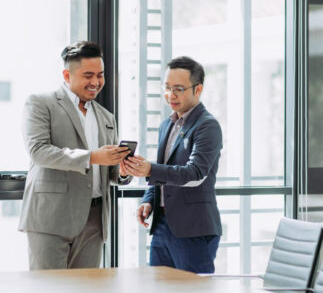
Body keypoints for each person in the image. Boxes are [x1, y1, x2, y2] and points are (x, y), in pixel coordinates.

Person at [18, 41, 131, 270]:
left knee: (87, 288)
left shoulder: (107, 117)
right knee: (49, 288)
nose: (96, 82)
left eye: (100, 75)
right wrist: (92, 157)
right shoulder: (40, 104)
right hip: (51, 216)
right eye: (88, 75)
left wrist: (122, 171)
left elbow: (106, 170)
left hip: (95, 220)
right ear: (66, 75)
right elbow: (39, 151)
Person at [122, 56, 222, 273]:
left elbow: (195, 173)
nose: (171, 95)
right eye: (167, 88)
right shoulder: (167, 124)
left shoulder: (207, 126)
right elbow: (164, 172)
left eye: (178, 88)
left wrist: (149, 169)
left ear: (198, 90)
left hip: (193, 230)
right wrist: (149, 200)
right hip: (161, 226)